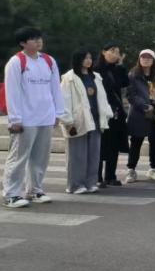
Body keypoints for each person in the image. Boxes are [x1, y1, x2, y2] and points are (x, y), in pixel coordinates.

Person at [3, 27, 68, 208]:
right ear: (23, 43)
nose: (38, 41)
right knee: (18, 158)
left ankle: (35, 190)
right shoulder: (16, 62)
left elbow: (55, 88)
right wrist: (15, 119)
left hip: (45, 117)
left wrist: (58, 113)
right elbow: (12, 92)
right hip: (26, 119)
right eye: (33, 39)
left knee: (40, 158)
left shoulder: (48, 60)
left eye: (39, 38)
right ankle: (11, 194)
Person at [60, 50, 113, 194]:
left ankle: (91, 182)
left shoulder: (96, 76)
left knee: (94, 154)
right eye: (85, 58)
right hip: (78, 120)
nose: (88, 60)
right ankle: (75, 185)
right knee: (77, 155)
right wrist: (67, 120)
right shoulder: (69, 78)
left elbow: (102, 97)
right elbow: (64, 100)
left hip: (95, 119)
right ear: (78, 60)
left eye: (90, 58)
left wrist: (107, 113)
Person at [94, 43, 129, 187]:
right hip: (102, 111)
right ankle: (97, 177)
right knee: (101, 145)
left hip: (116, 111)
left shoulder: (117, 69)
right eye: (112, 51)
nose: (115, 54)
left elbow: (125, 83)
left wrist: (121, 66)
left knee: (114, 144)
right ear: (104, 52)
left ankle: (110, 175)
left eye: (117, 52)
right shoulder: (96, 70)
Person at [126, 49, 155, 183]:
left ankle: (154, 168)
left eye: (149, 58)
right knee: (136, 141)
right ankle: (131, 169)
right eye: (143, 57)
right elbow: (131, 95)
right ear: (139, 59)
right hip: (139, 112)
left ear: (153, 60)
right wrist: (145, 106)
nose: (146, 60)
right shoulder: (133, 75)